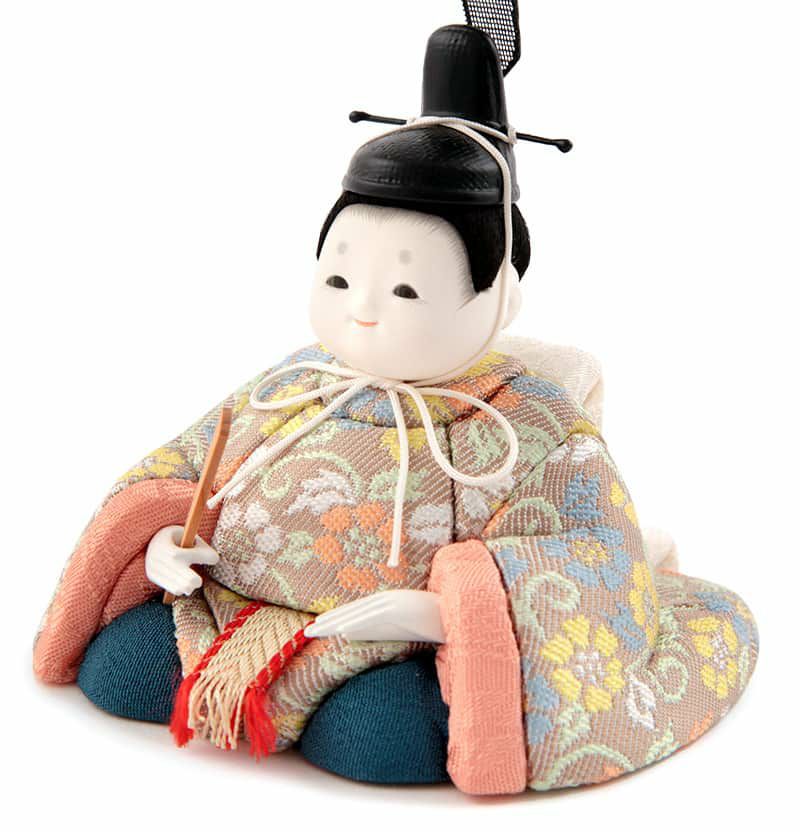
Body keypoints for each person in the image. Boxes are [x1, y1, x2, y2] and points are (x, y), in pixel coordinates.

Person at [34, 23, 757, 795]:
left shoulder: (534, 426)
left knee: (376, 739)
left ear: (498, 296)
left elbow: (584, 551)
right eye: (339, 280)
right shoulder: (298, 381)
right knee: (120, 671)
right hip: (229, 606)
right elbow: (188, 463)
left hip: (397, 645)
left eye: (406, 289)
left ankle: (394, 701)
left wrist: (438, 613)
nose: (364, 310)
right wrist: (163, 547)